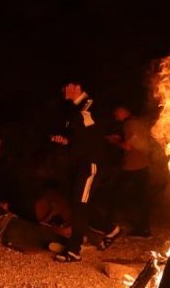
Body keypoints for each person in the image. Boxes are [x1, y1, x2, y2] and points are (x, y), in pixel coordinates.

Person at [50, 81, 120, 260]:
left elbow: (86, 126)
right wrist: (65, 141)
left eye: (68, 86)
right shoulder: (73, 109)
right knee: (80, 203)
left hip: (90, 164)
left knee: (79, 205)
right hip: (78, 163)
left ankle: (74, 250)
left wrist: (70, 108)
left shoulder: (89, 104)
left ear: (77, 87)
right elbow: (78, 135)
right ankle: (111, 229)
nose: (65, 90)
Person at [107, 105, 154, 237]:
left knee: (118, 194)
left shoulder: (130, 124)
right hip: (143, 164)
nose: (115, 116)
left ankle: (110, 226)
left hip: (133, 167)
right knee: (141, 197)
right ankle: (143, 228)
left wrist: (114, 141)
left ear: (123, 111)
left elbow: (128, 146)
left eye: (116, 113)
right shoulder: (137, 122)